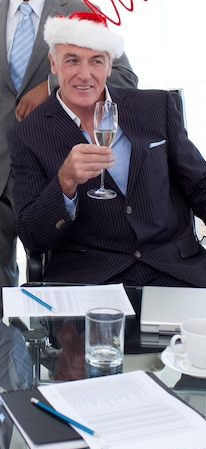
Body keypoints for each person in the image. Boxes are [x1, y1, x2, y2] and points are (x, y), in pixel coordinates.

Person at [7, 11, 206, 290]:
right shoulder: (28, 134)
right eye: (72, 60)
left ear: (110, 65)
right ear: (54, 64)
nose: (84, 74)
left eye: (96, 61)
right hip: (90, 279)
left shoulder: (155, 107)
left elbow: (201, 183)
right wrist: (64, 183)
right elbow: (32, 236)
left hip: (174, 269)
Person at [0, 0, 137, 310]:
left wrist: (51, 86)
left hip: (48, 167)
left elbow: (125, 79)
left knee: (50, 283)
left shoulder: (76, 6)